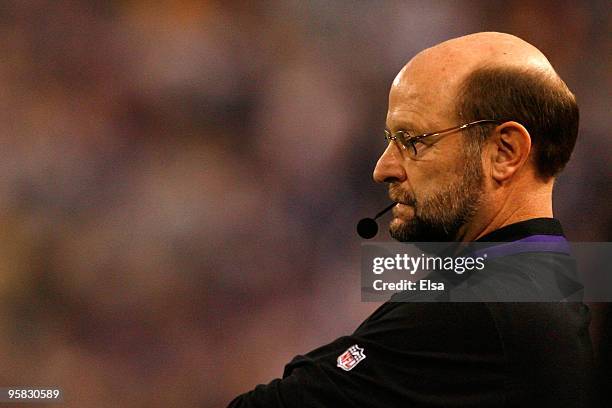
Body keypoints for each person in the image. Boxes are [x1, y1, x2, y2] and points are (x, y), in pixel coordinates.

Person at [227, 32, 593, 407]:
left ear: (504, 152)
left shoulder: (480, 310)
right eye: (390, 139)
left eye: (413, 141)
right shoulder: (546, 281)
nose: (382, 169)